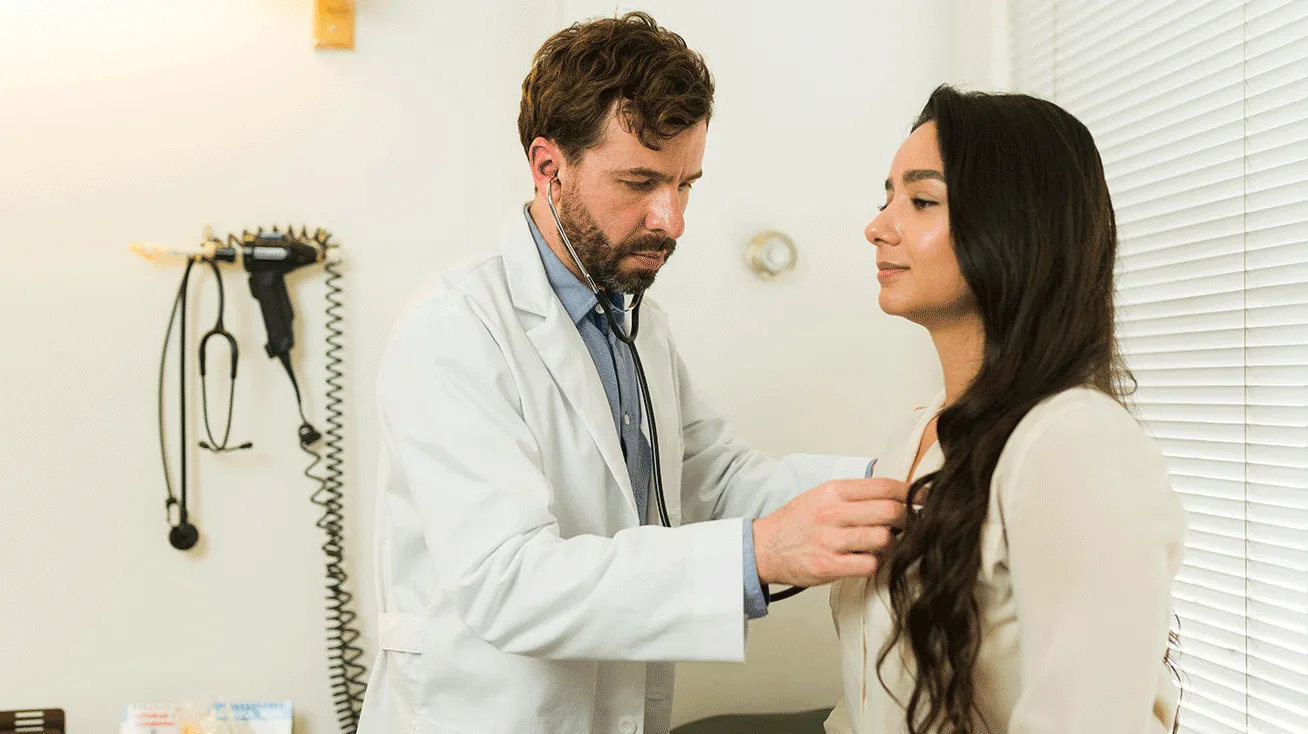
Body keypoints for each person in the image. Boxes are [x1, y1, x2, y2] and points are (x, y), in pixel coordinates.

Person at [356, 13, 910, 734]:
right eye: (640, 182)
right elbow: (506, 582)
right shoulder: (455, 327)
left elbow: (714, 480)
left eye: (686, 185)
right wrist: (763, 553)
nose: (671, 219)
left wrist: (900, 480)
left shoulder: (632, 318)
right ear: (548, 166)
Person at [824, 86, 1187, 734]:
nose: (878, 225)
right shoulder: (915, 433)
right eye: (887, 197)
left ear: (1014, 225)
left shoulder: (1073, 442)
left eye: (922, 200)